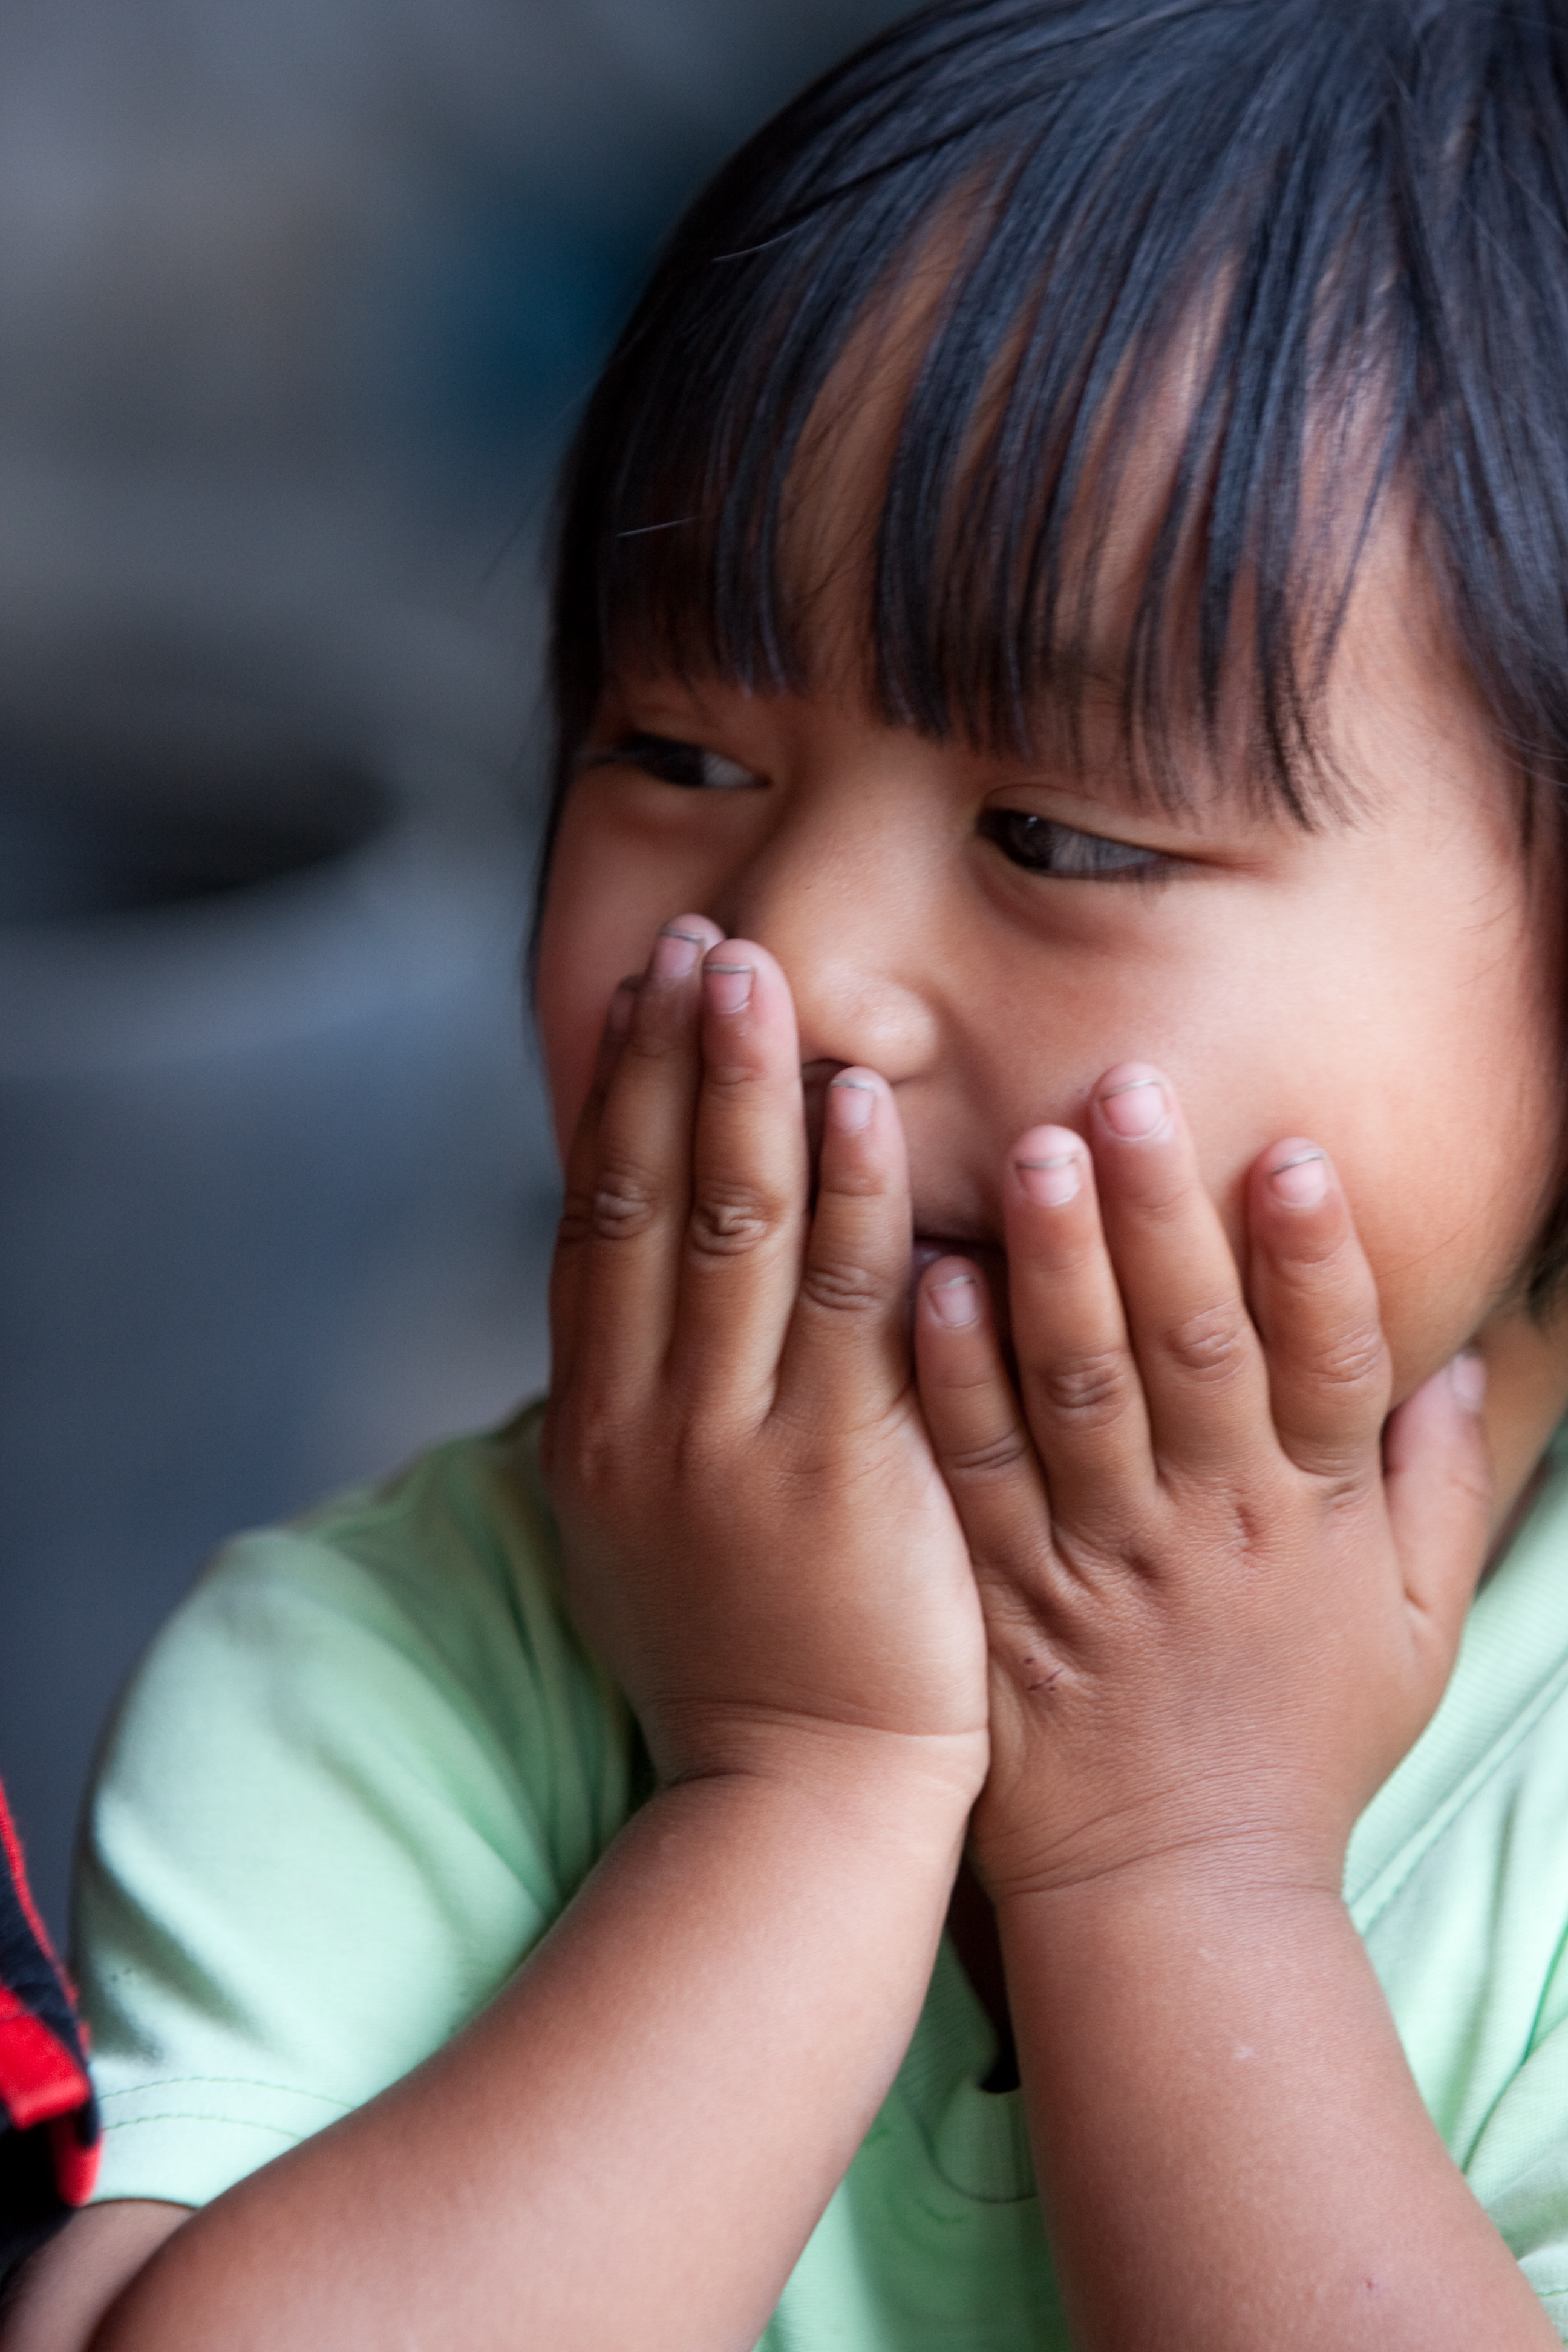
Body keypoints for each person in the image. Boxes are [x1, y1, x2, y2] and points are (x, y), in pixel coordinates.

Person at [9, 0, 1568, 2342]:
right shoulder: (405, 1667)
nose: (791, 964)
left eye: (1064, 835)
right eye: (675, 755)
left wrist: (1191, 1875)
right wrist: (802, 1792)